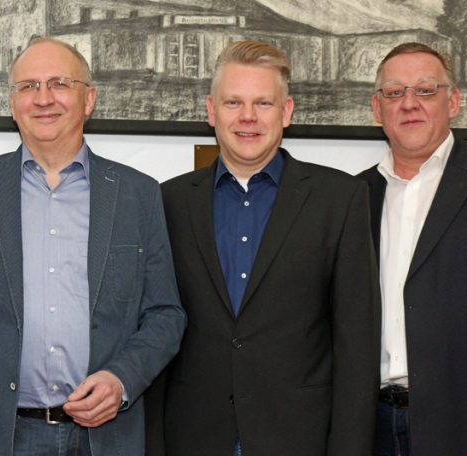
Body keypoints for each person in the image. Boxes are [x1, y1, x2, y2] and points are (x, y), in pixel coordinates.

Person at [0, 37, 186, 455]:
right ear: (12, 103)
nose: (43, 98)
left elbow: (165, 315)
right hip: (1, 435)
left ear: (89, 99)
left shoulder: (137, 195)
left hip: (107, 436)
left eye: (59, 83)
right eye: (28, 86)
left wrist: (122, 379)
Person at [145, 39, 380, 455]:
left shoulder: (340, 199)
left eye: (263, 103)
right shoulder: (167, 202)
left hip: (299, 438)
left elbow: (356, 345)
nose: (248, 117)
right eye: (233, 102)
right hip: (194, 437)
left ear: (286, 112)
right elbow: (156, 329)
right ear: (211, 111)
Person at [360, 42, 467, 456]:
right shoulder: (354, 195)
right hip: (373, 428)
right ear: (377, 108)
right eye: (394, 92)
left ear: (453, 102)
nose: (409, 104)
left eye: (425, 90)